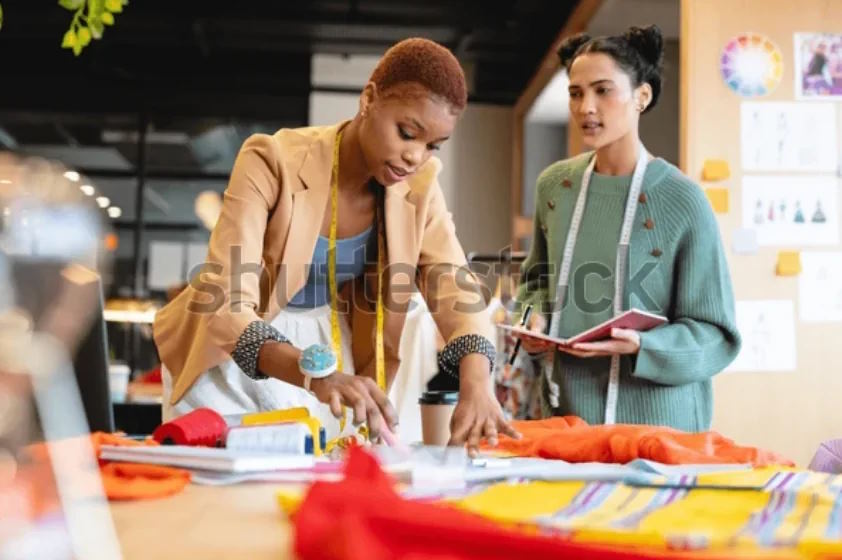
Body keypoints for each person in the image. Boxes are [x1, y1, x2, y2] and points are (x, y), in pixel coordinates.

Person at [153, 38, 516, 453]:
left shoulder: (420, 185)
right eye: (407, 133)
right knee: (229, 499)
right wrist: (314, 375)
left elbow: (454, 287)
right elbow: (225, 304)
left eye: (432, 145)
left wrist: (476, 381)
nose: (416, 156)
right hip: (231, 354)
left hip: (327, 355)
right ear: (369, 98)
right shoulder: (271, 160)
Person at [515, 25, 741, 431]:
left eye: (603, 90)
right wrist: (531, 320)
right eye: (575, 92)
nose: (586, 106)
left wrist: (643, 345)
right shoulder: (555, 187)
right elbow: (535, 283)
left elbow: (716, 333)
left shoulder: (683, 200)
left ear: (642, 96)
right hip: (570, 421)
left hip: (662, 429)